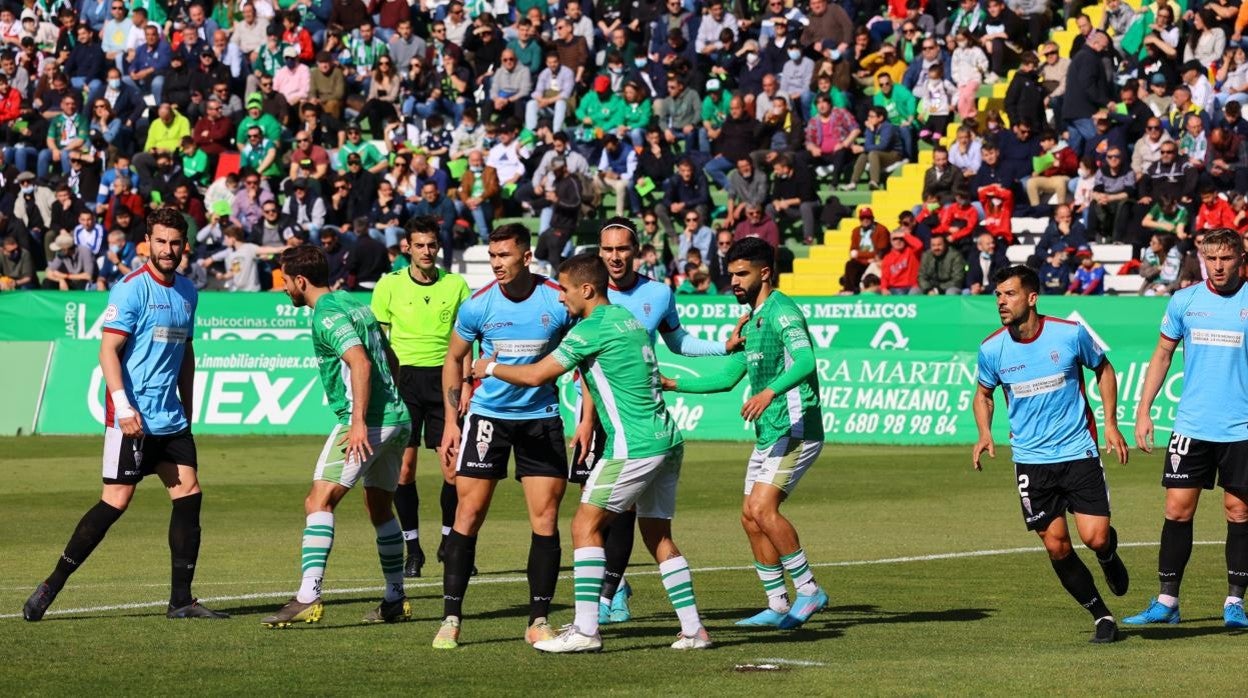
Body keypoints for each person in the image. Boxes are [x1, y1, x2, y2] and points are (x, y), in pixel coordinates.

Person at [468, 252, 711, 652]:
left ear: (586, 289)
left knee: (584, 526)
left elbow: (535, 375)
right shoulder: (628, 320)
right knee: (658, 534)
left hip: (633, 446)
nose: (560, 298)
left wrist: (488, 369)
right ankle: (693, 630)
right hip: (667, 440)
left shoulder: (590, 329)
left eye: (564, 289)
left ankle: (585, 630)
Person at [23, 208, 226, 622]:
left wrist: (188, 406)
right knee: (115, 501)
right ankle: (51, 585)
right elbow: (107, 351)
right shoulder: (130, 290)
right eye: (161, 241)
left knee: (189, 497)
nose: (168, 250)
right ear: (147, 243)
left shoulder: (189, 290)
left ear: (184, 245)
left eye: (175, 242)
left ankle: (181, 601)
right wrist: (125, 405)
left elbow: (185, 351)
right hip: (132, 417)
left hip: (170, 419)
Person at [582, 218, 743, 625]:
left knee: (618, 512)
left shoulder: (657, 293)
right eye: (608, 250)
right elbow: (583, 362)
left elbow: (679, 341)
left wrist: (722, 346)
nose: (615, 257)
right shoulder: (587, 293)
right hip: (602, 413)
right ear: (598, 252)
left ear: (638, 251)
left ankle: (607, 595)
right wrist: (584, 419)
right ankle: (615, 591)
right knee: (602, 511)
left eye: (622, 249)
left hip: (637, 417)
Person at [663, 237, 829, 629]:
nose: (734, 281)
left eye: (742, 274)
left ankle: (809, 590)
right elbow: (725, 378)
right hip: (770, 432)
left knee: (762, 509)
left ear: (765, 272)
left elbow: (806, 359)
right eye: (731, 274)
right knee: (749, 518)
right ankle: (776, 603)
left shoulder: (781, 311)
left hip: (796, 425)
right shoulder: (752, 320)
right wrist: (671, 384)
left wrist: (769, 391)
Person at [972, 264, 1130, 644]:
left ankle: (1108, 553)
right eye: (998, 295)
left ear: (1032, 297)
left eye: (1009, 294)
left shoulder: (1070, 334)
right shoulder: (992, 348)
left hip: (1078, 451)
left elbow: (1104, 369)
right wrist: (983, 432)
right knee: (1057, 545)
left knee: (1094, 537)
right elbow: (983, 394)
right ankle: (1101, 616)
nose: (1001, 302)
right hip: (1031, 460)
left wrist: (1110, 422)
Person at [434, 224, 574, 649]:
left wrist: (585, 417)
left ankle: (538, 620)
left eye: (504, 256)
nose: (496, 264)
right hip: (487, 419)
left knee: (546, 519)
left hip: (542, 417)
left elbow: (584, 354)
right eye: (492, 256)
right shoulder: (478, 305)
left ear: (526, 257)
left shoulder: (557, 298)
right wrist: (451, 422)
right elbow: (454, 358)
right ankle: (451, 618)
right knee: (468, 515)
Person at [260, 245, 412, 628]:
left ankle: (307, 596)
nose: (284, 290)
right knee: (379, 508)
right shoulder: (352, 303)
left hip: (367, 423)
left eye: (285, 282)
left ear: (300, 280)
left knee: (318, 500)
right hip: (397, 417)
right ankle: (395, 598)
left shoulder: (326, 316)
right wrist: (389, 402)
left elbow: (360, 360)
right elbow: (389, 358)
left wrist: (360, 421)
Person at [1126, 228, 1248, 630]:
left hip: (1241, 428)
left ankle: (1234, 602)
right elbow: (1162, 355)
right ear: (1202, 258)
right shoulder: (1185, 300)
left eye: (1226, 258)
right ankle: (1167, 601)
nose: (1218, 266)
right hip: (1192, 425)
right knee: (1177, 511)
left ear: (1240, 258)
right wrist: (1144, 410)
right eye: (1211, 258)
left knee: (1239, 511)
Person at [369, 220, 471, 579]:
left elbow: (466, 342)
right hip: (404, 381)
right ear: (407, 249)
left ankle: (450, 543)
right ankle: (414, 551)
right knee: (405, 470)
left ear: (438, 247)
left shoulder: (456, 285)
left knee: (453, 469)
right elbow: (379, 342)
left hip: (445, 380)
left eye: (431, 245)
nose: (427, 251)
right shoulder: (389, 285)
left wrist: (467, 384)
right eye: (419, 245)